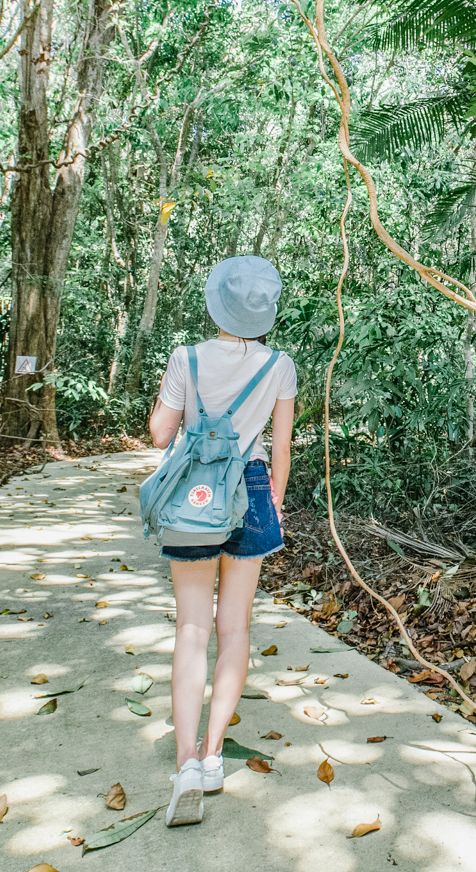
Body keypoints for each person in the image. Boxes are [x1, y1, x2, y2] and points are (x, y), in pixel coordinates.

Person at [146, 255, 296, 826]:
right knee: (234, 629)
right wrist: (272, 499)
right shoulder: (280, 366)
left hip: (195, 494)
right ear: (264, 314)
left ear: (216, 304)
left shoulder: (185, 358)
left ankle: (184, 763)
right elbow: (280, 451)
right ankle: (212, 757)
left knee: (191, 627)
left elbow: (162, 433)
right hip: (252, 488)